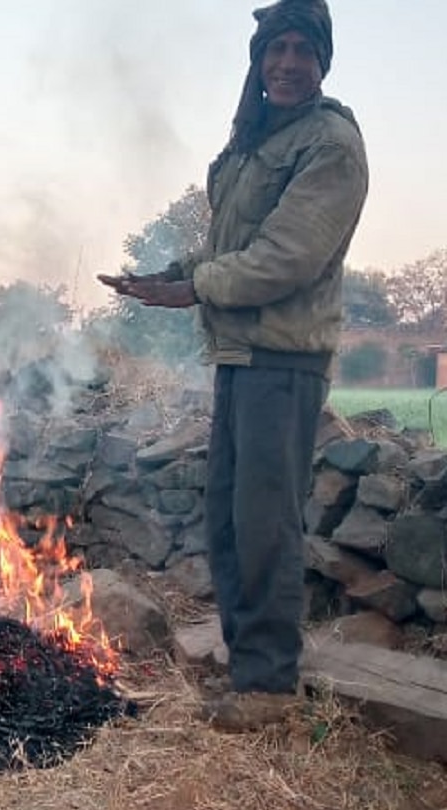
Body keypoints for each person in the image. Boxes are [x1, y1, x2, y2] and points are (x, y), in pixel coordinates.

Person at [97, 0, 367, 731]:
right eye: (273, 50)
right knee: (230, 519)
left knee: (265, 523)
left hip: (285, 360)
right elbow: (225, 249)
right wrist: (166, 278)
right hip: (241, 356)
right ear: (258, 62)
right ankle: (249, 664)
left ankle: (270, 687)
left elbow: (286, 257)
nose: (285, 63)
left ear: (322, 62)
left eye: (300, 51)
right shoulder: (254, 142)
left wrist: (197, 287)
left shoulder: (329, 144)